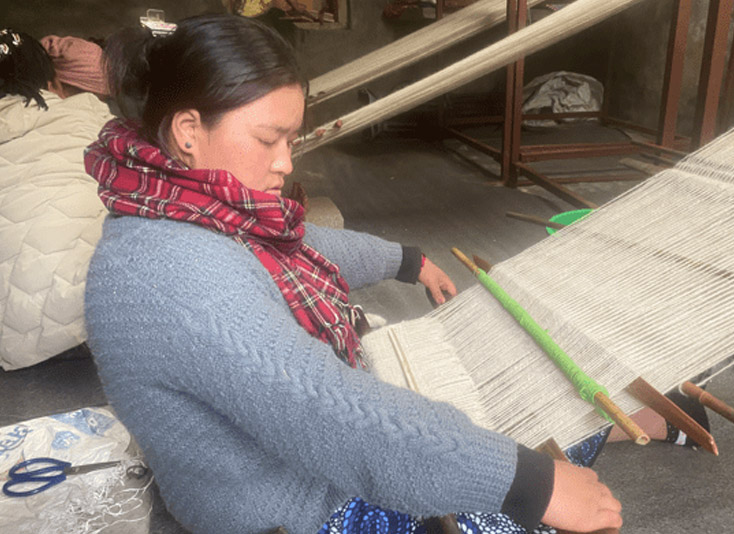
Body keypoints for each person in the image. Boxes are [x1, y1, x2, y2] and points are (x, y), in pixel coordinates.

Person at [83, 14, 622, 534]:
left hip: (283, 471)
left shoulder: (186, 206)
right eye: (268, 139)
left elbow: (304, 244)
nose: (285, 163)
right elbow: (330, 413)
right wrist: (530, 483)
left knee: (532, 435)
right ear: (188, 131)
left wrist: (408, 261)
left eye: (290, 141)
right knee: (538, 488)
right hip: (286, 514)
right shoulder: (177, 273)